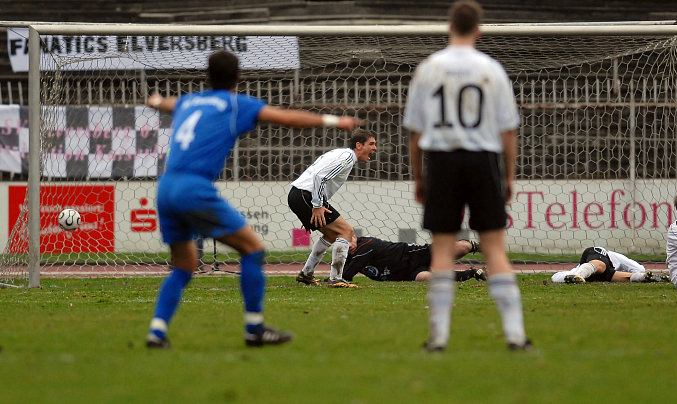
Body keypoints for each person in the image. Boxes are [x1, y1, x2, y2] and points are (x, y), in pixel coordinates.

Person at [144, 50, 359, 348]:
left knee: (184, 264)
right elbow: (286, 117)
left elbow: (165, 103)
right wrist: (335, 120)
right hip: (194, 188)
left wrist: (155, 101)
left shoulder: (189, 101)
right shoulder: (235, 104)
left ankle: (156, 332)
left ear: (207, 75)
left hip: (166, 187)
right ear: (238, 76)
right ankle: (254, 329)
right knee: (253, 250)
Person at [404, 0, 530, 351]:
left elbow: (415, 132)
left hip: (442, 162)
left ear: (449, 27)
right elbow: (508, 131)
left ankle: (438, 338)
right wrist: (508, 177)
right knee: (494, 250)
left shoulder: (429, 68)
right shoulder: (491, 69)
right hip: (482, 160)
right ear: (478, 30)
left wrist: (419, 177)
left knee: (442, 252)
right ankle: (515, 336)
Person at [289, 129, 377, 289]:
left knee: (331, 234)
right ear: (359, 145)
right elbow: (319, 177)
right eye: (371, 144)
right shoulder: (347, 157)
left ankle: (306, 274)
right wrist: (317, 206)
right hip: (306, 195)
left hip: (300, 195)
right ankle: (336, 278)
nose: (374, 148)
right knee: (346, 231)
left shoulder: (341, 154)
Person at [342, 236, 484, 282]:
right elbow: (343, 275)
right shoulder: (349, 257)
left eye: (349, 241)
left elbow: (346, 275)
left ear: (354, 236)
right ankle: (474, 273)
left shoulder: (367, 244)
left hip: (414, 255)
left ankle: (479, 247)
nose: (349, 246)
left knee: (461, 248)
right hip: (408, 274)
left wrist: (338, 275)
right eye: (343, 245)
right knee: (427, 278)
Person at [551, 247, 664, 284]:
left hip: (599, 274)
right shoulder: (614, 257)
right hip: (598, 255)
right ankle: (580, 275)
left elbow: (555, 277)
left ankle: (648, 278)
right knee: (601, 267)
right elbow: (639, 268)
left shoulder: (572, 272)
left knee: (631, 275)